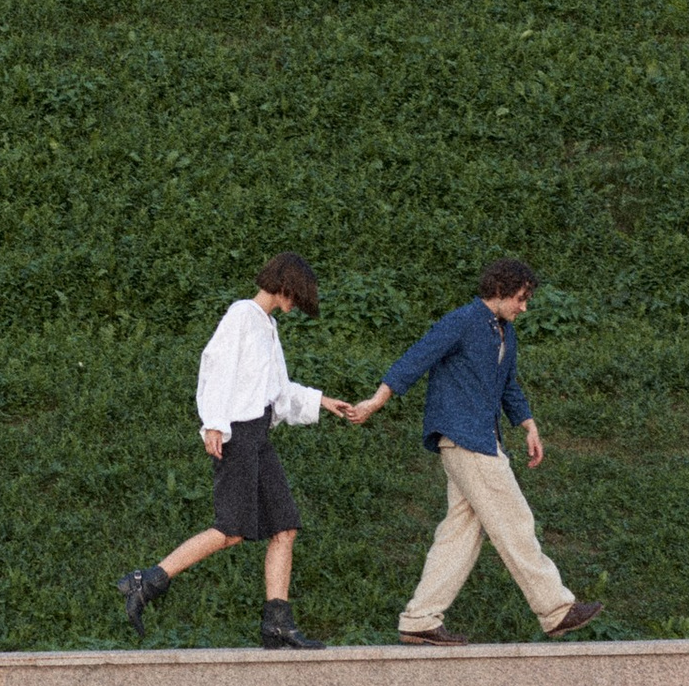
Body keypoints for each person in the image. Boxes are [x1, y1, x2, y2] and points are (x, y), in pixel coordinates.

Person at [349, 261, 602, 645]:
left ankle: (419, 618)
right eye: (520, 299)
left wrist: (528, 425)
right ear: (499, 290)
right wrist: (375, 401)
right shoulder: (464, 320)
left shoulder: (505, 332)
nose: (524, 307)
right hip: (465, 438)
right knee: (513, 518)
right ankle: (555, 609)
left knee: (460, 533)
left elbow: (508, 385)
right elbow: (417, 357)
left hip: (481, 437)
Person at [120, 256, 357, 651]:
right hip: (238, 434)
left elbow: (276, 391)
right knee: (230, 529)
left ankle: (277, 624)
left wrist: (323, 401)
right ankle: (148, 581)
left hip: (259, 434)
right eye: (296, 296)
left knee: (285, 527)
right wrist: (214, 423)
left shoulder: (268, 325)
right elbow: (216, 367)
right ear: (285, 286)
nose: (296, 304)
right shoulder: (242, 315)